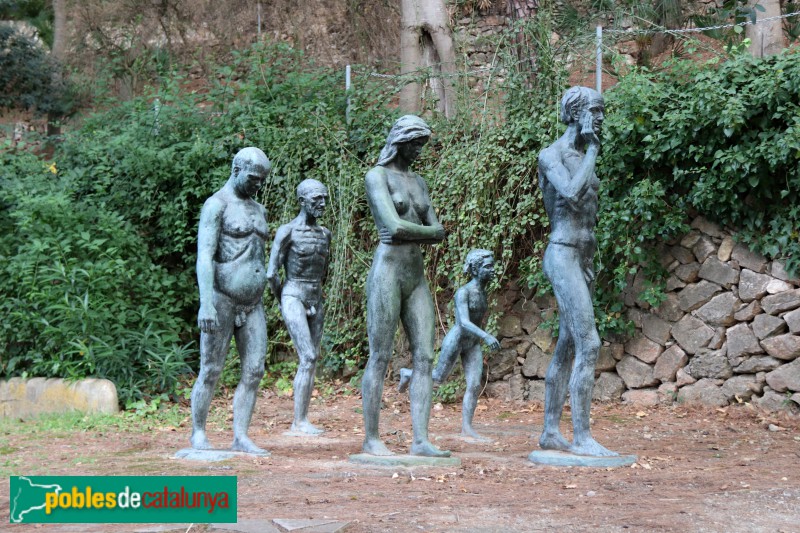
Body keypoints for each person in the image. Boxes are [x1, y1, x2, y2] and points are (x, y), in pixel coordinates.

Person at [361, 115, 450, 457]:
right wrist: (428, 233)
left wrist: (422, 232)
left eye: (421, 146)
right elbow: (393, 227)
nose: (418, 151)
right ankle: (371, 438)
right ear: (399, 141)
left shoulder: (419, 182)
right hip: (387, 272)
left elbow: (433, 229)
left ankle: (421, 440)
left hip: (415, 275)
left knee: (425, 356)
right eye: (414, 144)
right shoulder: (377, 176)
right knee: (380, 355)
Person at [537, 86, 617, 457]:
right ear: (575, 112)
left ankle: (551, 432)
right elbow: (570, 193)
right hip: (562, 254)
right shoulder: (551, 155)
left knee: (567, 347)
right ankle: (582, 437)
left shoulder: (580, 155)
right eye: (596, 112)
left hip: (581, 257)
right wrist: (595, 151)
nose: (601, 119)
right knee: (590, 342)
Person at [190, 147, 271, 455]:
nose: (258, 185)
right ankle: (198, 433)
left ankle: (241, 435)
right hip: (221, 299)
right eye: (253, 178)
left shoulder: (259, 209)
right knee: (210, 368)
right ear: (237, 170)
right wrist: (206, 301)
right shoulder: (217, 205)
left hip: (252, 303)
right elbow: (205, 256)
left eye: (262, 180)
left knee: (254, 370)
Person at [397, 249, 500, 441]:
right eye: (488, 266)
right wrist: (486, 336)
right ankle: (407, 373)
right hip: (458, 339)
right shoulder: (463, 292)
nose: (493, 270)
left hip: (472, 343)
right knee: (437, 377)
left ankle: (467, 427)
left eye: (492, 265)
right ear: (476, 270)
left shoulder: (483, 291)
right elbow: (464, 323)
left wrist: (480, 338)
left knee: (475, 384)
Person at [267, 179, 331, 436]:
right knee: (308, 356)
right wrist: (283, 299)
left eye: (324, 198)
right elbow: (272, 273)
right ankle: (299, 421)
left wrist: (313, 297)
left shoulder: (325, 233)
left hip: (315, 294)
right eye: (317, 199)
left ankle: (302, 419)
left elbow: (324, 269)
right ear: (302, 201)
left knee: (311, 359)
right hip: (292, 293)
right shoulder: (287, 232)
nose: (323, 204)